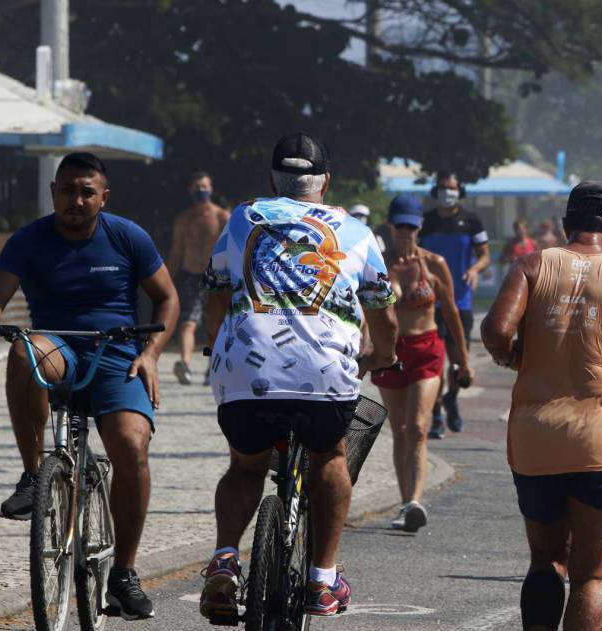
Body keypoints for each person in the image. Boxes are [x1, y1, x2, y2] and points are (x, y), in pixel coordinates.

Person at [198, 132, 398, 619]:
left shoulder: (244, 217)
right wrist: (383, 355)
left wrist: (216, 344)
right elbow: (383, 313)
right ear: (325, 182)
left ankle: (226, 557)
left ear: (272, 180)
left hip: (248, 370)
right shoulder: (356, 232)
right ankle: (322, 581)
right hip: (325, 373)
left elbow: (216, 294)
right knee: (330, 456)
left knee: (246, 465)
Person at [0, 152, 179, 619]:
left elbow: (166, 297)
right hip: (59, 347)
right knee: (22, 351)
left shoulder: (128, 237)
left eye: (88, 191)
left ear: (103, 197)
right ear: (54, 193)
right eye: (68, 190)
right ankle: (33, 475)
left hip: (118, 354)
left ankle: (124, 574)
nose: (77, 200)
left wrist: (150, 355)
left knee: (131, 447)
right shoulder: (29, 240)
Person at [481, 181, 602, 630]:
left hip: (534, 435)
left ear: (566, 225)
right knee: (591, 575)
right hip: (598, 440)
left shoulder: (531, 265)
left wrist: (513, 357)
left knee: (544, 560)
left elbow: (496, 330)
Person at [373, 194, 473, 532]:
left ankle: (415, 500)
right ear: (390, 226)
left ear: (420, 228)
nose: (405, 232)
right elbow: (363, 310)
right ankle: (405, 504)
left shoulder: (434, 263)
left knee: (417, 427)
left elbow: (452, 311)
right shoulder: (379, 265)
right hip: (391, 353)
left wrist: (464, 358)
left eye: (411, 227)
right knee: (400, 432)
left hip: (428, 348)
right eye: (400, 226)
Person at [419, 171, 490, 438]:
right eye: (442, 188)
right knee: (435, 362)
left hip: (461, 301)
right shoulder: (425, 222)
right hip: (430, 303)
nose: (447, 192)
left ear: (459, 191)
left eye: (451, 188)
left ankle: (451, 398)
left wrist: (474, 270)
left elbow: (484, 256)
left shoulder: (471, 221)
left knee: (460, 362)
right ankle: (436, 413)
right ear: (435, 191)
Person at [166, 171, 230, 385]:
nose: (201, 190)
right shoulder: (183, 219)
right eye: (197, 187)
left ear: (211, 188)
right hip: (190, 276)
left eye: (204, 186)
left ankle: (211, 368)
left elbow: (232, 248)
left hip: (215, 276)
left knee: (214, 324)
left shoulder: (222, 217)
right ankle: (185, 364)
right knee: (188, 323)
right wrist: (167, 279)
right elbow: (176, 251)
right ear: (190, 190)